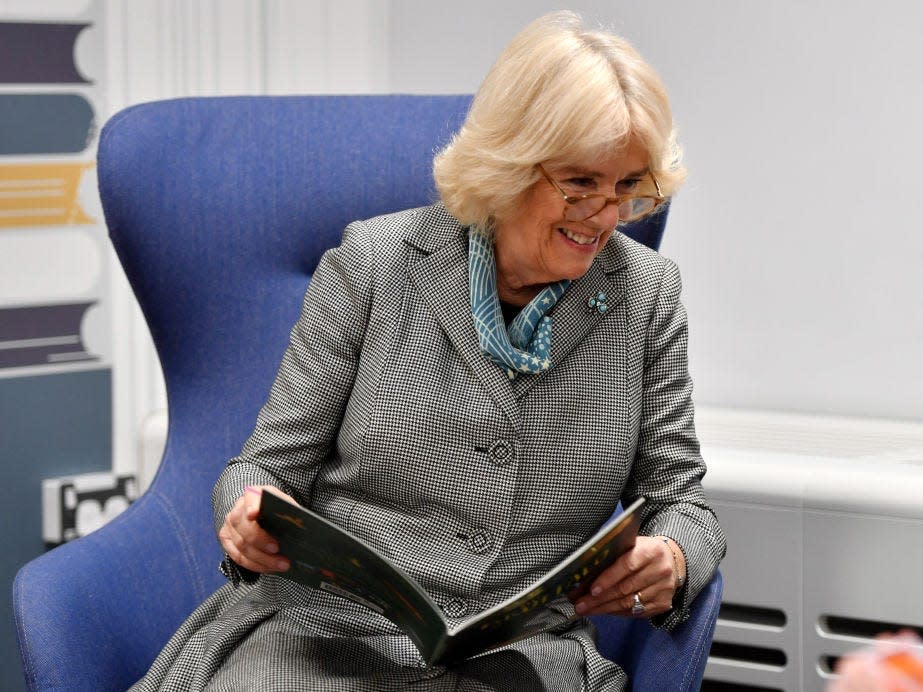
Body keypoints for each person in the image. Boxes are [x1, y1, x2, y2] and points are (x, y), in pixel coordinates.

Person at [131, 11, 725, 692]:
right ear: (508, 161)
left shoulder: (644, 295)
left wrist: (674, 556)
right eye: (581, 183)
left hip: (520, 658)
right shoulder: (375, 264)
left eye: (627, 187)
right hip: (325, 637)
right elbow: (265, 467)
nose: (606, 217)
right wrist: (245, 514)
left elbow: (681, 498)